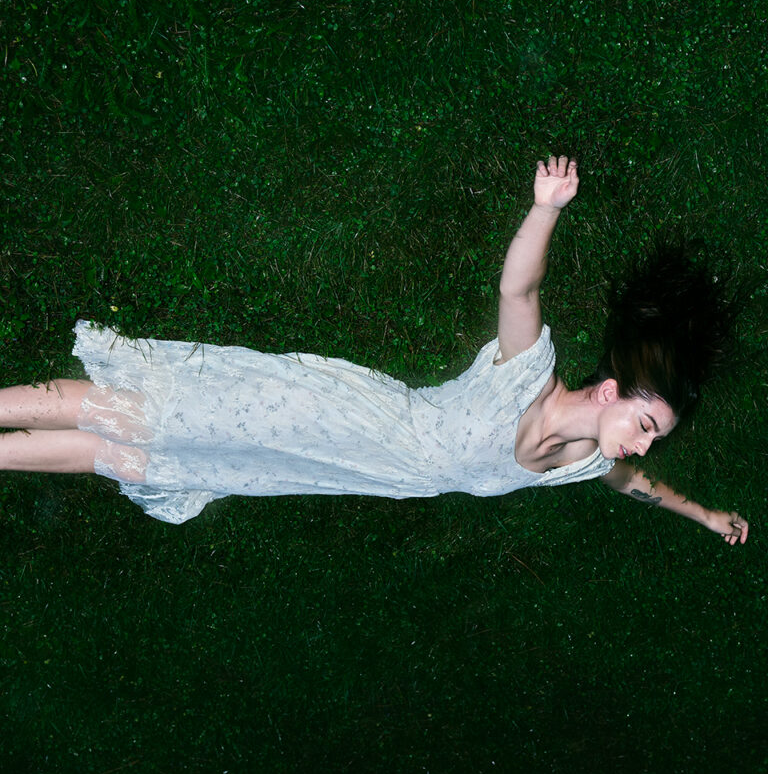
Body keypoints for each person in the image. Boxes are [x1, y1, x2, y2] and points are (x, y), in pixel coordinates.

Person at [0, 156, 749, 540]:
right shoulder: (527, 376)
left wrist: (705, 515)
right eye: (644, 425)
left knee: (157, 460)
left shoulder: (584, 459)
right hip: (339, 417)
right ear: (612, 390)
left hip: (349, 470)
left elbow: (633, 484)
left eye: (651, 438)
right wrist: (544, 210)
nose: (639, 446)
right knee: (153, 411)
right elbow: (518, 291)